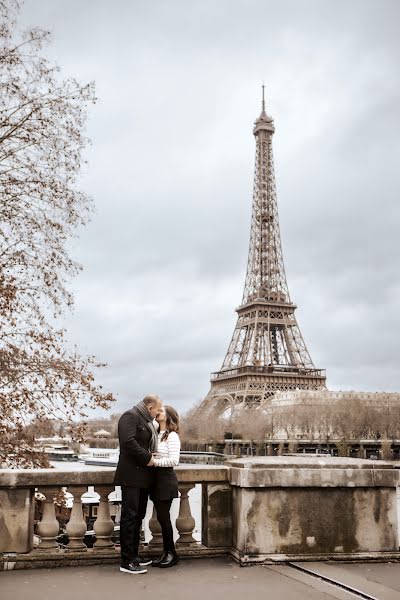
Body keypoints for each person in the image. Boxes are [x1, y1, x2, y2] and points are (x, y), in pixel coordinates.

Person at [114, 394, 163, 575]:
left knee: (138, 516)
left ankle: (134, 555)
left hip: (142, 477)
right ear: (150, 408)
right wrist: (147, 457)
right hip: (131, 476)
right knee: (130, 517)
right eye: (158, 409)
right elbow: (127, 442)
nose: (158, 413)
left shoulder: (145, 420)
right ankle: (127, 561)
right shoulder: (130, 416)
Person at [150, 405, 181, 568]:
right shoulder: (157, 434)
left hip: (165, 479)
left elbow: (174, 460)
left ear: (168, 417)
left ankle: (171, 553)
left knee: (164, 518)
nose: (157, 412)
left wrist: (154, 461)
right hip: (156, 480)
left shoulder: (173, 436)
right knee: (162, 519)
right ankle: (166, 552)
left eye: (161, 411)